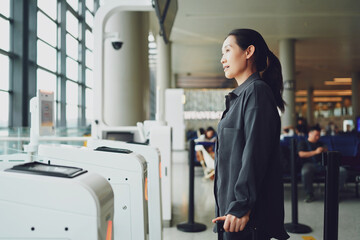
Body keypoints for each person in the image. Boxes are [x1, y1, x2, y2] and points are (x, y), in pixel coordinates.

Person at [211, 29, 289, 240]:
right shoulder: (241, 96)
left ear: (248, 51)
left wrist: (241, 207)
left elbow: (255, 154)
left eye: (227, 50)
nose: (222, 59)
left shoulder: (256, 92)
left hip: (245, 217)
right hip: (231, 213)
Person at [298, 125, 347, 203]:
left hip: (323, 164)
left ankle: (333, 193)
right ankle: (309, 194)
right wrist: (315, 152)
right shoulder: (303, 143)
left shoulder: (321, 143)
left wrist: (325, 150)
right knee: (306, 171)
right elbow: (301, 154)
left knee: (342, 171)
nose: (318, 137)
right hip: (310, 164)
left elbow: (329, 153)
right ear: (310, 134)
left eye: (319, 135)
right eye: (316, 135)